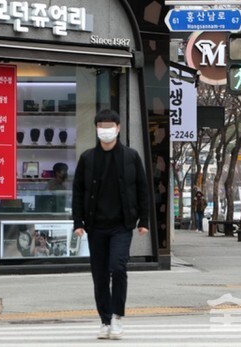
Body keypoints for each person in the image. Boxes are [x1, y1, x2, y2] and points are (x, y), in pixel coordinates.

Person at [72, 109, 149, 340]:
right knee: (100, 275)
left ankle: (117, 317)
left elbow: (142, 189)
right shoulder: (87, 158)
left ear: (118, 128)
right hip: (96, 225)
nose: (105, 130)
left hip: (122, 225)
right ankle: (104, 321)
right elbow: (78, 192)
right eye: (101, 126)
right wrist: (78, 222)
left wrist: (143, 220)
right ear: (96, 129)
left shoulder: (131, 156)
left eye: (109, 126)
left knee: (118, 267)